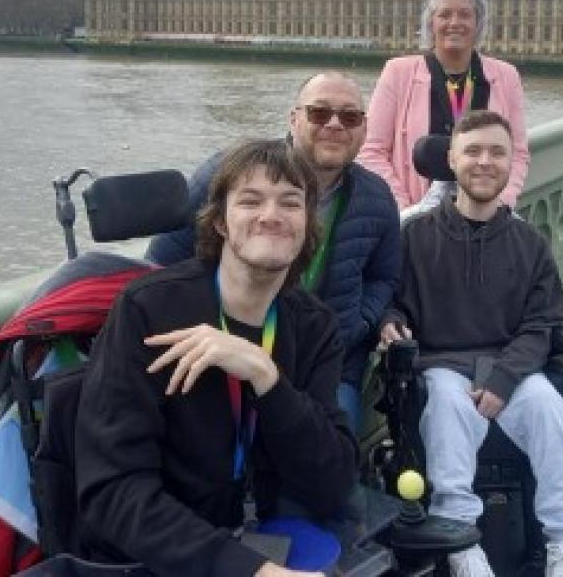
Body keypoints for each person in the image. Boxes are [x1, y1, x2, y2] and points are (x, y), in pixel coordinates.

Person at [75, 140, 357, 577]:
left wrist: (268, 379)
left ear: (307, 224)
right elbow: (113, 492)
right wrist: (250, 571)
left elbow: (333, 484)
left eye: (291, 202)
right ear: (221, 222)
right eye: (250, 201)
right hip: (157, 554)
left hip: (262, 535)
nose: (271, 215)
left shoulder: (313, 325)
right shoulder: (150, 310)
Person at [379, 110, 563, 577]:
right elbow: (391, 299)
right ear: (451, 161)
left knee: (548, 409)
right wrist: (391, 320)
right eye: (472, 151)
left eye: (497, 152)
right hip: (441, 364)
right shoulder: (415, 237)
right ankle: (461, 536)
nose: (484, 162)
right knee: (447, 406)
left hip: (509, 365)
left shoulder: (529, 243)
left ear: (511, 161)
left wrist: (503, 378)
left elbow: (541, 325)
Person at [147, 71, 400, 433]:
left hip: (327, 362)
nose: (334, 125)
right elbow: (164, 262)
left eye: (349, 116)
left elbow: (384, 275)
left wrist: (360, 322)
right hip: (226, 349)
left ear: (363, 128)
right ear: (293, 118)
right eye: (319, 113)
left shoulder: (377, 198)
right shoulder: (227, 173)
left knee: (326, 469)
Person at [358, 0, 530, 211]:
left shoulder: (506, 77)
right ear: (432, 22)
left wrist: (500, 204)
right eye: (445, 15)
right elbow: (371, 151)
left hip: (484, 217)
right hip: (416, 216)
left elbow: (518, 153)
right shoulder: (398, 72)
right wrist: (404, 209)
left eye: (465, 15)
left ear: (478, 22)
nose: (454, 23)